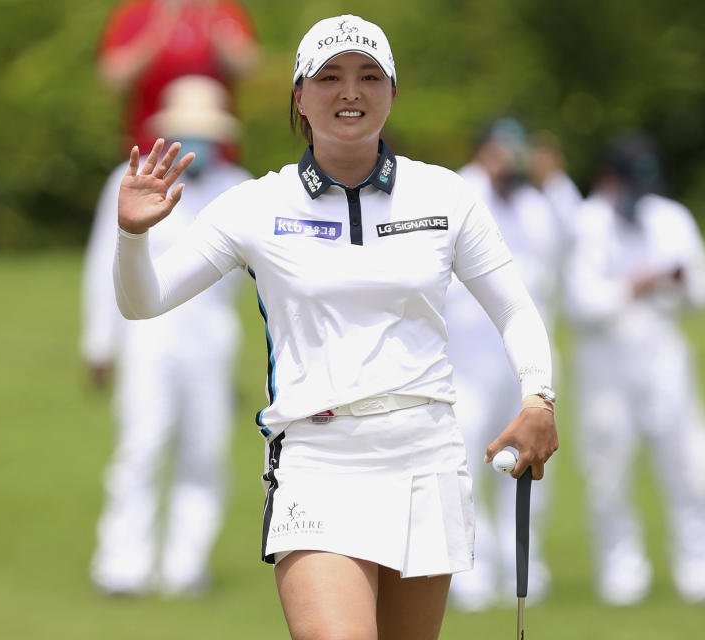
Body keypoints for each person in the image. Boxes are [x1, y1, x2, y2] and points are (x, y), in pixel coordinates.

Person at [111, 14, 558, 639]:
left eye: (369, 76)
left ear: (393, 92)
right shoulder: (255, 205)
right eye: (331, 77)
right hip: (317, 459)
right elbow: (144, 301)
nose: (350, 91)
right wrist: (134, 235)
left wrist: (539, 393)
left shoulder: (445, 196)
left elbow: (515, 308)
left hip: (425, 454)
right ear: (299, 94)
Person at [82, 75, 252, 597]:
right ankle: (121, 567)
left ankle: (185, 566)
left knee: (205, 450)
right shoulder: (128, 179)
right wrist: (99, 344)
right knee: (142, 443)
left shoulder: (241, 187)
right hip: (147, 333)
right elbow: (100, 264)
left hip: (213, 334)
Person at [563, 133, 705, 605]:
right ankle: (622, 578)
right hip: (605, 371)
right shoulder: (589, 221)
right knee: (609, 472)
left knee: (693, 465)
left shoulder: (671, 218)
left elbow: (704, 292)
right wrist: (635, 285)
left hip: (666, 363)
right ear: (609, 179)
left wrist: (675, 282)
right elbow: (580, 304)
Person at [445, 118, 559, 611]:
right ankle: (469, 572)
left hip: (521, 365)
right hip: (464, 359)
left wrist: (553, 180)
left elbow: (567, 248)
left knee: (527, 463)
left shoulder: (536, 202)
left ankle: (524, 564)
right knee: (463, 463)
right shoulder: (459, 191)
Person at [98, 0, 258, 155]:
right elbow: (114, 77)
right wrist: (162, 25)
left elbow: (248, 67)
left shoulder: (224, 10)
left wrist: (213, 23)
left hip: (215, 151)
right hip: (152, 148)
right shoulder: (138, 12)